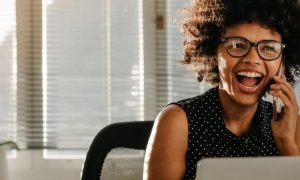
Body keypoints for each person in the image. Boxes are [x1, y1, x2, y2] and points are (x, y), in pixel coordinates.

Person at [143, 0, 300, 179]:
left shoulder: (292, 127)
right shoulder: (177, 122)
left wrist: (285, 142)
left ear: (282, 61)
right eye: (237, 45)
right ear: (213, 52)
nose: (252, 59)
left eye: (269, 47)